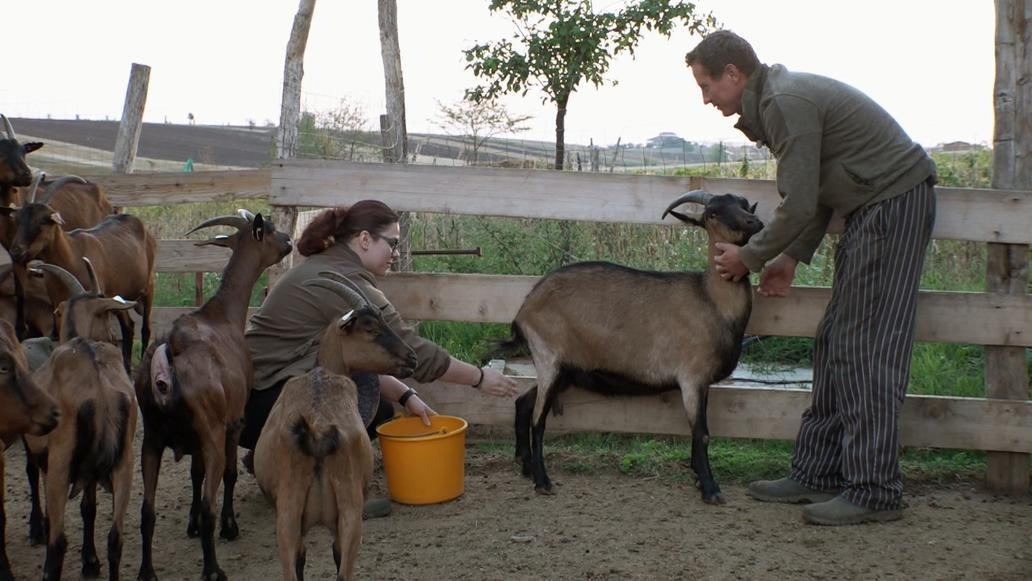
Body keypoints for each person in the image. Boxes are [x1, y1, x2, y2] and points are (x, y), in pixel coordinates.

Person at [685, 30, 936, 525]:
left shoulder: (784, 102)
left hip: (891, 206)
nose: (706, 98)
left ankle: (874, 488)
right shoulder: (778, 101)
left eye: (706, 85)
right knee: (836, 341)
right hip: (872, 209)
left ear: (733, 74)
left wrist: (749, 258)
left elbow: (799, 202)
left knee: (868, 348)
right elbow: (819, 190)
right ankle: (819, 471)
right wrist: (792, 255)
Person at [241, 200, 519, 518]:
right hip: (263, 403)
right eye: (393, 243)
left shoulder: (329, 267)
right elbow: (409, 348)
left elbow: (356, 357)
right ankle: (321, 497)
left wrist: (406, 395)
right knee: (363, 395)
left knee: (381, 410)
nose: (396, 253)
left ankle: (275, 458)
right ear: (364, 240)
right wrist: (480, 378)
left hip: (259, 399)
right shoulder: (344, 283)